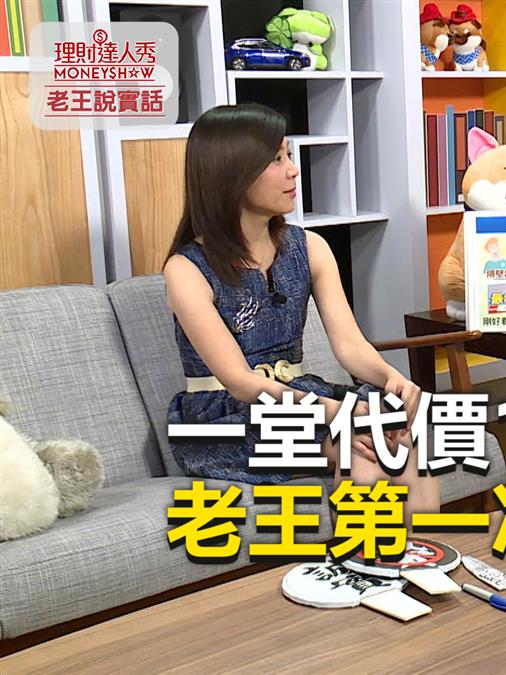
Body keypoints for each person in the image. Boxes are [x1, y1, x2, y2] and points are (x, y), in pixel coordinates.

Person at [163, 103, 440, 521]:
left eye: (289, 155)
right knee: (361, 447)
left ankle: (427, 554)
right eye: (276, 159)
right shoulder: (186, 269)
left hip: (301, 397)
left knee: (405, 439)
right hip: (229, 416)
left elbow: (349, 345)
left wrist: (391, 379)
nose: (293, 170)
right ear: (231, 173)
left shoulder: (309, 247)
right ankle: (366, 558)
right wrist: (338, 413)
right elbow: (240, 383)